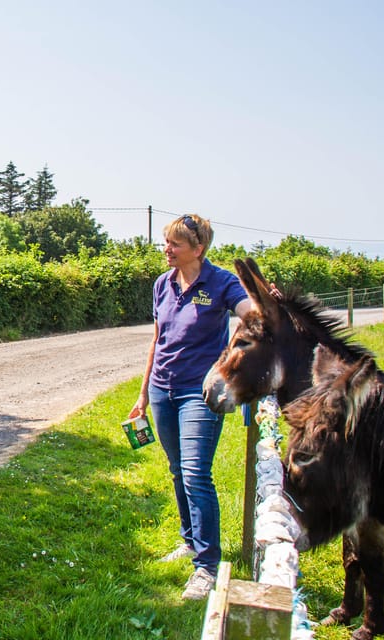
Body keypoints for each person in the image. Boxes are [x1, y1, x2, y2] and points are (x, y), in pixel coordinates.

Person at [128, 213, 253, 601]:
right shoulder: (162, 284)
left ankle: (206, 566)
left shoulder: (221, 283)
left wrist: (255, 319)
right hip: (163, 390)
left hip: (199, 393)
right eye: (166, 242)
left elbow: (249, 312)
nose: (166, 249)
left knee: (196, 472)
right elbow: (157, 340)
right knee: (177, 469)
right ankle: (189, 539)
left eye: (174, 244)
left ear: (198, 249)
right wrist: (144, 393)